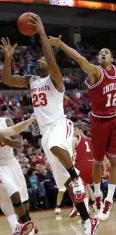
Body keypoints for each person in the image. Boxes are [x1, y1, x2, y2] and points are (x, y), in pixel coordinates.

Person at [1, 14, 99, 235]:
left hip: (60, 124)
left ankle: (75, 177)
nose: (39, 60)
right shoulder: (31, 80)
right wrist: (8, 57)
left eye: (43, 60)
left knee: (60, 154)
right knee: (63, 180)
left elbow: (52, 60)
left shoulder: (55, 80)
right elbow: (7, 80)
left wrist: (42, 33)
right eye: (38, 60)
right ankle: (87, 220)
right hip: (45, 133)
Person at [49, 35, 116, 221]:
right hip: (99, 121)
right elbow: (80, 59)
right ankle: (98, 197)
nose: (102, 54)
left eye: (106, 52)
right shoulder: (95, 71)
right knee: (97, 162)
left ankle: (109, 200)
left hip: (114, 120)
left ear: (111, 57)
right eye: (100, 53)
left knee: (114, 162)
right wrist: (61, 44)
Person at [0, 101, 38, 234]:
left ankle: (27, 222)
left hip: (12, 163)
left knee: (24, 200)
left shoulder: (6, 121)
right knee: (14, 195)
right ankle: (26, 227)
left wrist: (4, 140)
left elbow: (18, 144)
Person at [69, 122, 94, 218]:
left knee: (75, 185)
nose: (73, 132)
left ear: (80, 130)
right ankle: (86, 207)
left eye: (75, 130)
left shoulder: (75, 138)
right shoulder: (90, 139)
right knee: (84, 186)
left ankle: (78, 207)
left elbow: (70, 151)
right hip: (91, 163)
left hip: (81, 164)